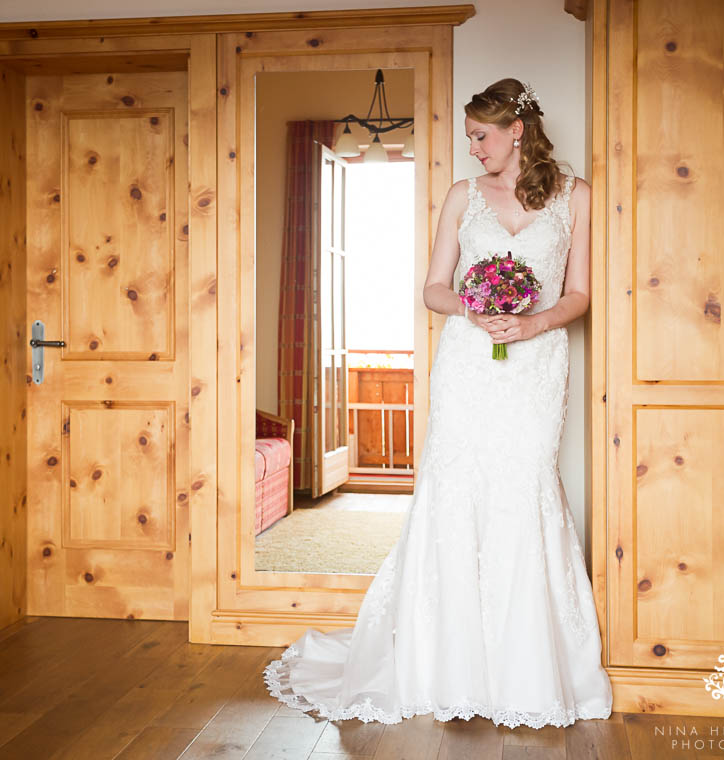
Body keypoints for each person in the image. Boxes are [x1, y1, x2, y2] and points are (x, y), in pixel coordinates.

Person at [262, 78, 614, 729]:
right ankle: (443, 663)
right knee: (455, 488)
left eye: (481, 135)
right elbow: (432, 289)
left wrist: (533, 324)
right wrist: (476, 305)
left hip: (535, 363)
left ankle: (527, 668)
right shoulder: (462, 196)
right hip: (469, 362)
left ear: (517, 130)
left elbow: (580, 294)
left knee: (525, 483)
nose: (473, 147)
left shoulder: (576, 197)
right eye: (470, 136)